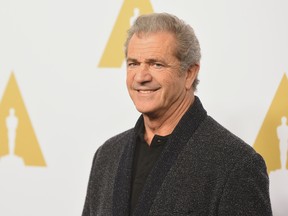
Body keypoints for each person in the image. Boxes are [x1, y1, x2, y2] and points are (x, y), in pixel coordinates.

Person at [82, 12, 272, 216]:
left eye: (156, 64)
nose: (141, 76)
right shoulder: (107, 155)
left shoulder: (236, 164)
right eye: (133, 63)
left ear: (189, 73)